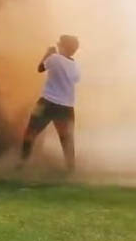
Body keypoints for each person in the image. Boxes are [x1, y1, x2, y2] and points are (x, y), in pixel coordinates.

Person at [19, 35, 81, 172]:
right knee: (67, 141)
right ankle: (71, 170)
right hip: (67, 107)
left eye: (60, 44)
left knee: (30, 133)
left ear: (64, 47)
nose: (58, 45)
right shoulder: (76, 66)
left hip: (46, 103)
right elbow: (75, 80)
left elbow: (40, 68)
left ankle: (21, 164)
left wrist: (47, 54)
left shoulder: (54, 59)